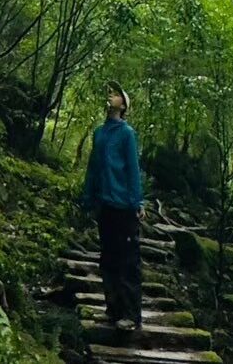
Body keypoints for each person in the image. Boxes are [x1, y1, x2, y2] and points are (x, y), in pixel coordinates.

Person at [81, 80, 144, 332]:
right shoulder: (99, 133)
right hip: (104, 204)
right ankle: (113, 309)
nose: (111, 96)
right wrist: (87, 197)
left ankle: (131, 314)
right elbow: (93, 168)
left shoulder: (127, 134)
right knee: (108, 258)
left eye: (116, 94)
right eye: (109, 92)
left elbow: (133, 170)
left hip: (124, 206)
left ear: (123, 104)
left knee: (128, 260)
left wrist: (138, 201)